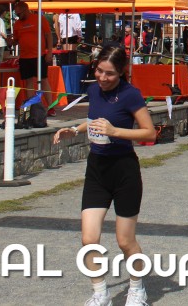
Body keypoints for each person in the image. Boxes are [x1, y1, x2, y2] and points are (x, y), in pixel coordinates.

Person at [52, 47, 156, 306]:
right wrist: (75, 129)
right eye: (99, 71)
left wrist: (115, 131)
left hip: (124, 171)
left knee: (125, 241)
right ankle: (100, 293)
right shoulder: (94, 90)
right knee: (89, 239)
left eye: (109, 74)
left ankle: (137, 289)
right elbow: (95, 121)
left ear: (121, 72)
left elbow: (150, 133)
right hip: (97, 170)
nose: (102, 77)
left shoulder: (130, 95)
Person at [9, 1, 53, 110]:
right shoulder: (17, 24)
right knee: (28, 82)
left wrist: (49, 52)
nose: (18, 16)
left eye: (19, 13)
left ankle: (50, 106)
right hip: (24, 57)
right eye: (16, 14)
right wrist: (10, 41)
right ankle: (32, 107)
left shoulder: (39, 19)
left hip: (39, 55)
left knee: (43, 80)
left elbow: (48, 35)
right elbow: (16, 40)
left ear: (25, 10)